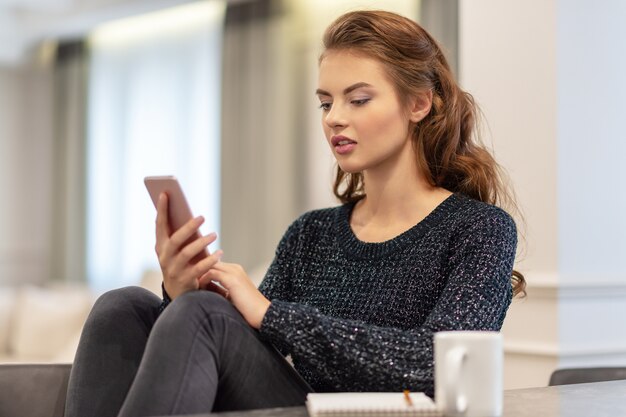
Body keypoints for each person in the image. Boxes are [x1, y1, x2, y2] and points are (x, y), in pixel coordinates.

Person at [65, 9, 525, 417]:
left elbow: (438, 365)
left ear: (419, 103)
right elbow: (248, 352)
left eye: (358, 100)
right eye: (326, 102)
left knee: (204, 314)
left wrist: (269, 313)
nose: (333, 118)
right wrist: (179, 292)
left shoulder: (479, 230)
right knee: (122, 305)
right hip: (299, 403)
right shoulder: (312, 234)